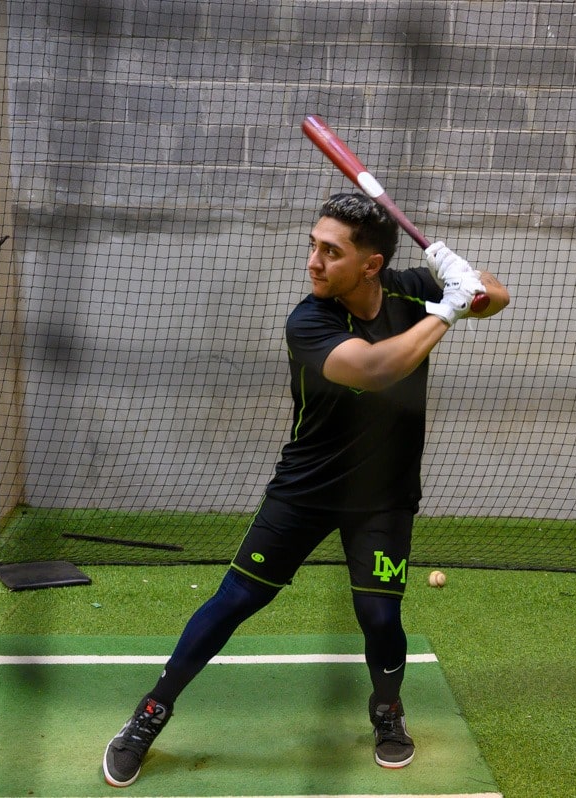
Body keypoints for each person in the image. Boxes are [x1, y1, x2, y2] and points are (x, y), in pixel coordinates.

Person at [101, 192, 510, 787]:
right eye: (313, 246)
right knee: (235, 600)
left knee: (378, 614)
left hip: (384, 494)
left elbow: (497, 296)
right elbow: (374, 370)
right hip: (306, 489)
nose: (313, 262)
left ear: (370, 265)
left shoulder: (409, 286)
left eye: (330, 251)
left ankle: (387, 709)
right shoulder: (310, 320)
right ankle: (151, 710)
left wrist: (460, 272)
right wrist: (447, 311)